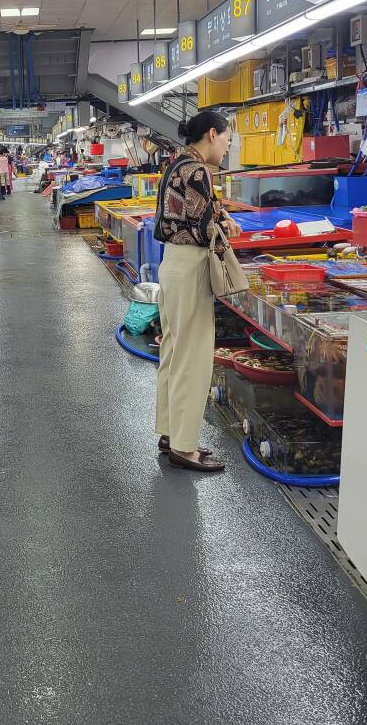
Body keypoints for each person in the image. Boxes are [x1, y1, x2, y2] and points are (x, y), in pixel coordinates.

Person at [153, 111, 242, 474]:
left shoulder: (178, 165)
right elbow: (205, 227)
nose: (227, 147)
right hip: (190, 267)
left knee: (175, 353)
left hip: (173, 264)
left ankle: (170, 433)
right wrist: (226, 229)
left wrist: (221, 216)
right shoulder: (198, 170)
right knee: (193, 358)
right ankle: (184, 448)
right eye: (227, 140)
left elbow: (194, 213)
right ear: (211, 135)